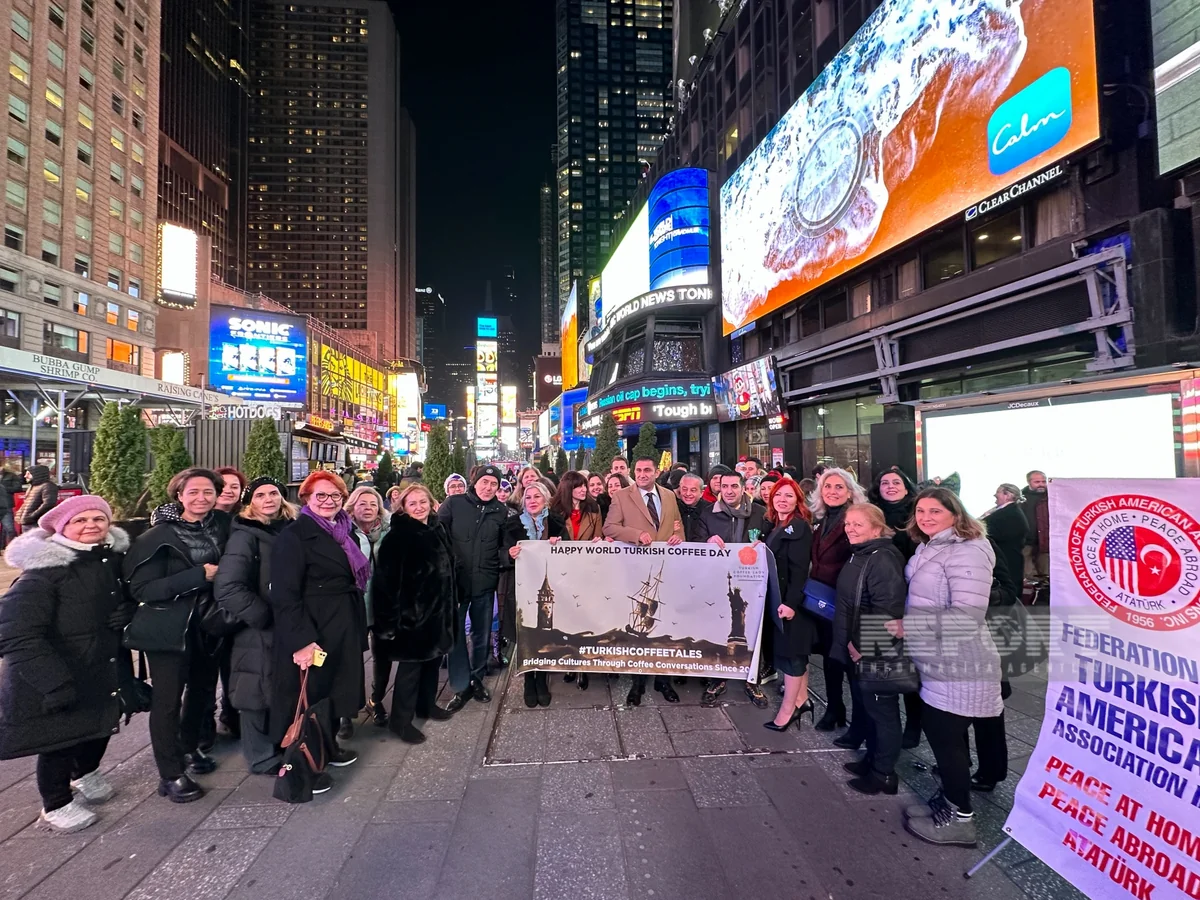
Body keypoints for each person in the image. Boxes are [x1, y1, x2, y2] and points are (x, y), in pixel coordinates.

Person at [0, 496, 132, 832]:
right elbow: (13, 631)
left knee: (99, 723)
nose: (91, 525)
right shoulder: (44, 572)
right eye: (80, 520)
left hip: (97, 663)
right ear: (62, 527)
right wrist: (53, 681)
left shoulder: (106, 559)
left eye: (98, 519)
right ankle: (55, 802)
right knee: (59, 740)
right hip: (58, 670)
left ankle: (85, 773)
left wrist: (127, 610)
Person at [902, 488, 1002, 848]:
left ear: (955, 514)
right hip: (935, 657)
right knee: (945, 736)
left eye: (935, 511)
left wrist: (908, 626)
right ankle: (948, 803)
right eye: (921, 511)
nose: (926, 517)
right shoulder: (931, 546)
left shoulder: (968, 550)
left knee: (946, 740)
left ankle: (960, 820)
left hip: (961, 661)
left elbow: (967, 616)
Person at [124, 468, 230, 803]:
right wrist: (198, 576)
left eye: (208, 492)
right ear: (179, 495)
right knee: (168, 701)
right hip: (169, 630)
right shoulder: (156, 536)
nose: (201, 498)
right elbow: (142, 589)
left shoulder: (222, 525)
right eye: (193, 492)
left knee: (201, 692)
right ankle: (170, 774)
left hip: (209, 625)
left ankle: (188, 748)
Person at [268, 471, 366, 783]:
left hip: (342, 624)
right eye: (320, 495)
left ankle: (328, 747)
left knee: (334, 690)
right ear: (307, 498)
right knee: (308, 696)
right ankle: (303, 766)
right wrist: (302, 641)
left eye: (335, 495)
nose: (328, 501)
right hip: (313, 628)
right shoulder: (294, 536)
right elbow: (284, 594)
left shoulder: (344, 531)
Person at [213, 477, 294, 775]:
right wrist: (263, 616)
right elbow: (228, 587)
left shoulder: (288, 529)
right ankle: (260, 756)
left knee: (278, 686)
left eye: (274, 493)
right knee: (254, 691)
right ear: (250, 503)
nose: (268, 499)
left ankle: (279, 744)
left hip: (287, 624)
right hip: (257, 627)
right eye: (260, 495)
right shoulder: (245, 535)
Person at [830, 504, 908, 795]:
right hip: (857, 645)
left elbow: (887, 610)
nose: (850, 529)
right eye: (848, 523)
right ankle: (872, 760)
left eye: (858, 524)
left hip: (872, 650)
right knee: (869, 708)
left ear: (877, 528)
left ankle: (884, 774)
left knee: (882, 712)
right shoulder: (862, 553)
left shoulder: (882, 558)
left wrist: (864, 646)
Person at [370, 484, 457, 743]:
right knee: (410, 672)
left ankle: (426, 705)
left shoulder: (437, 528)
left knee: (432, 664)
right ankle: (400, 721)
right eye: (413, 503)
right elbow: (385, 585)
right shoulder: (398, 537)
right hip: (412, 620)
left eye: (423, 502)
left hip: (438, 613)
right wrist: (388, 626)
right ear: (403, 508)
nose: (419, 507)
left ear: (431, 503)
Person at [603, 456, 684, 705]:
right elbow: (609, 528)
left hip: (665, 569)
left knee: (664, 625)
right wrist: (636, 534)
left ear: (656, 472)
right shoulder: (621, 496)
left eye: (647, 470)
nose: (642, 474)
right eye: (638, 470)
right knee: (639, 625)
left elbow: (677, 526)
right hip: (636, 570)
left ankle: (663, 680)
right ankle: (637, 682)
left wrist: (679, 536)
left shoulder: (669, 496)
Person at [696, 469, 772, 708]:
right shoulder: (709, 513)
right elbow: (695, 542)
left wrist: (763, 544)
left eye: (734, 486)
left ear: (743, 488)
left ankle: (752, 680)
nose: (729, 491)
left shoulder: (760, 513)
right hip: (720, 580)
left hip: (752, 581)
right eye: (724, 486)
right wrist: (707, 542)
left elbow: (772, 542)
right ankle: (718, 678)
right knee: (718, 627)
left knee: (754, 629)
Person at [439, 465, 509, 711]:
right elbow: (438, 536)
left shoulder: (501, 511)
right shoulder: (454, 503)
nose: (488, 488)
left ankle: (477, 679)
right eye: (484, 482)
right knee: (456, 634)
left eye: (494, 484)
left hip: (484, 582)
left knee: (481, 633)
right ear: (475, 482)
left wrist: (506, 557)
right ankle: (460, 685)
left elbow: (503, 546)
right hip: (456, 583)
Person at [808, 468, 868, 731]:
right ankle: (835, 709)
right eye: (827, 486)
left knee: (851, 663)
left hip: (848, 601)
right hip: (824, 601)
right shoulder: (821, 519)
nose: (832, 491)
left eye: (839, 487)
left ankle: (859, 723)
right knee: (831, 659)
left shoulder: (855, 519)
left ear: (850, 492)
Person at [869, 466, 921, 747]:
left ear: (906, 487)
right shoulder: (873, 513)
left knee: (909, 665)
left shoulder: (916, 515)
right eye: (885, 483)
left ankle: (913, 726)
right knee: (881, 661)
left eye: (896, 482)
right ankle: (885, 726)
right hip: (880, 595)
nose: (890, 486)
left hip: (910, 596)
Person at [762, 478, 815, 731]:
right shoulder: (778, 524)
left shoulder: (799, 527)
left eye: (789, 496)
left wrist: (791, 603)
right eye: (778, 495)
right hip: (781, 599)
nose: (782, 500)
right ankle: (802, 700)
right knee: (795, 653)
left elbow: (800, 570)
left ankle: (788, 710)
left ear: (798, 501)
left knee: (792, 655)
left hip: (790, 603)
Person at [508, 482, 567, 707]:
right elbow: (501, 552)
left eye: (537, 497)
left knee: (544, 633)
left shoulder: (556, 523)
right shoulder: (512, 524)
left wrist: (558, 545)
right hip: (521, 587)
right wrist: (509, 554)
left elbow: (569, 553)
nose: (532, 501)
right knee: (526, 632)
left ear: (546, 500)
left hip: (548, 589)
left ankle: (541, 679)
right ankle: (528, 680)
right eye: (528, 497)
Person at [549, 472, 606, 692]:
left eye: (584, 486)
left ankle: (582, 666)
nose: (584, 490)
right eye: (579, 486)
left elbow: (598, 535)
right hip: (562, 573)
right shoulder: (554, 510)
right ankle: (569, 662)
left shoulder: (593, 508)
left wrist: (599, 541)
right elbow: (545, 539)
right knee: (566, 621)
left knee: (584, 619)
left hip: (586, 572)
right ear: (568, 489)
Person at [981, 484, 1028, 597]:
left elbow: (991, 531)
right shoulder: (1008, 511)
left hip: (1007, 560)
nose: (995, 495)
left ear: (1007, 495)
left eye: (998, 492)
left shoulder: (1010, 514)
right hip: (1007, 559)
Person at [1021, 470, 1049, 578]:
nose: (1041, 484)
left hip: (1046, 542)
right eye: (1037, 482)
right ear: (1029, 482)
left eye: (1043, 481)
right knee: (1028, 575)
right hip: (1026, 542)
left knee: (1046, 574)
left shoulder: (1052, 497)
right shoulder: (1021, 499)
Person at [19, 465, 59, 531]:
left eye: (28, 474)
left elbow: (48, 504)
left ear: (36, 474)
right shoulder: (32, 486)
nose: (25, 476)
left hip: (36, 523)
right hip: (28, 522)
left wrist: (32, 516)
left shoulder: (48, 486)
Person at [674, 472, 710, 541]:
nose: (688, 493)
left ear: (701, 493)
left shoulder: (710, 510)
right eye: (684, 489)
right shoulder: (672, 507)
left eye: (693, 490)